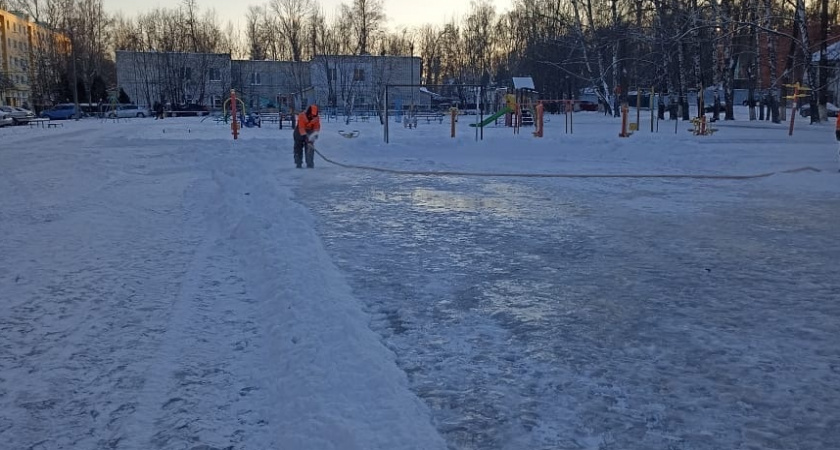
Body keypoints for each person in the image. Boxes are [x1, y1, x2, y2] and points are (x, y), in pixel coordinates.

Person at [294, 104, 321, 168]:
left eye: (314, 116)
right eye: (311, 115)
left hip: (310, 131)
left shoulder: (316, 118)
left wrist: (314, 135)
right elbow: (301, 127)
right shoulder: (302, 116)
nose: (312, 116)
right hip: (299, 132)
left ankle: (310, 164)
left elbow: (316, 128)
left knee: (310, 148)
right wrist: (305, 136)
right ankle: (298, 163)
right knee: (298, 148)